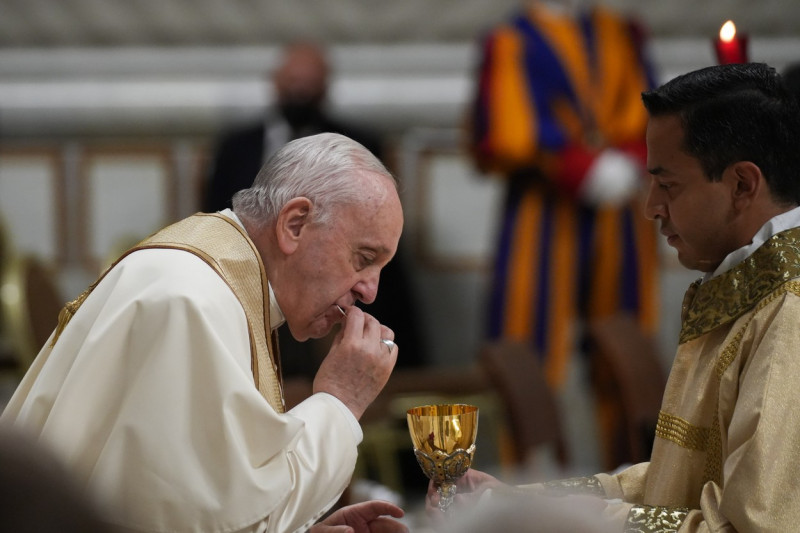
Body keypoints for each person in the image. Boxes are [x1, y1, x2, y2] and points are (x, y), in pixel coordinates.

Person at [428, 62, 800, 532]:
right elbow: (673, 479)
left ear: (742, 184)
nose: (650, 208)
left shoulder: (789, 316)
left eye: (667, 185)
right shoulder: (744, 287)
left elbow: (753, 528)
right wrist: (517, 501)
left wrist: (574, 524)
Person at [1, 133, 409, 533]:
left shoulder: (217, 284)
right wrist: (340, 400)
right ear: (295, 224)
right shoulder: (191, 301)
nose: (369, 290)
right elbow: (210, 522)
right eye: (364, 258)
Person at [468, 0, 660, 396]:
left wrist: (632, 159)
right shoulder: (513, 38)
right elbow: (509, 126)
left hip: (621, 203)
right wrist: (575, 165)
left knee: (627, 335)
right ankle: (532, 457)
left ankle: (637, 453)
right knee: (525, 333)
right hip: (541, 204)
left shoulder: (621, 32)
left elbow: (651, 106)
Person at [205, 40, 426, 374]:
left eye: (309, 85)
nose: (370, 291)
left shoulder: (359, 142)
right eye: (293, 83)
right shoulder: (201, 306)